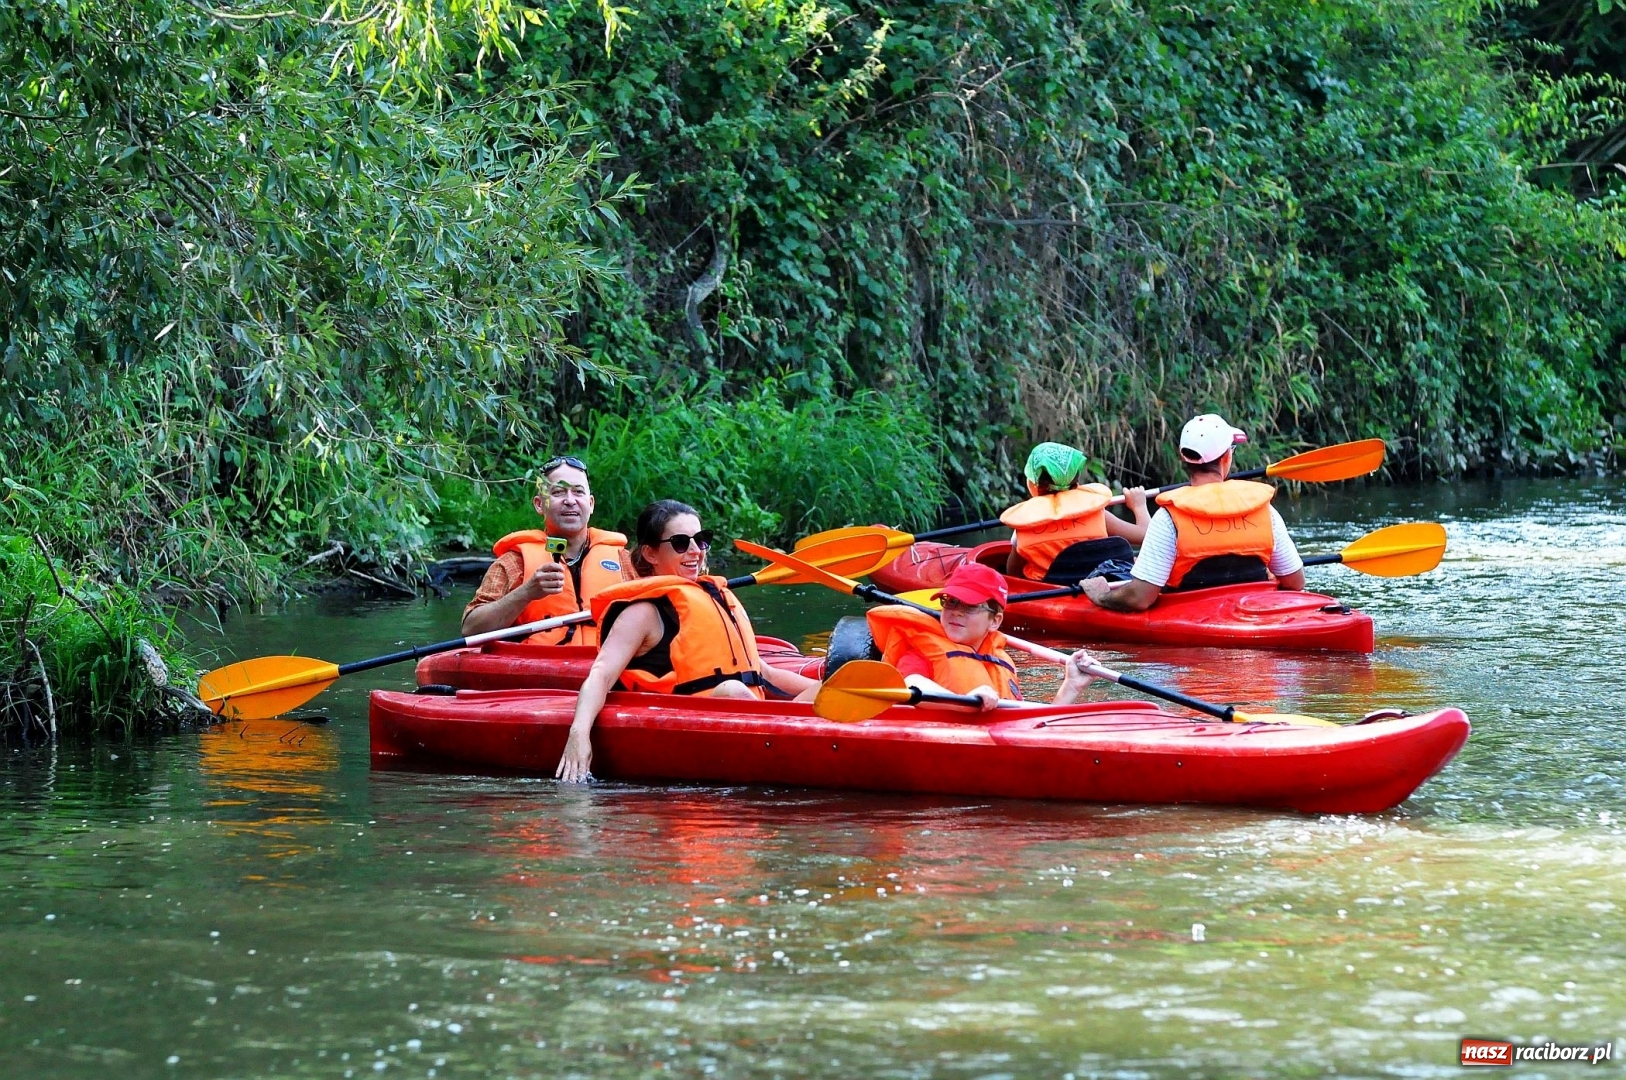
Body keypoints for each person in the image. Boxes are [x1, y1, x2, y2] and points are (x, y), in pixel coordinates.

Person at [556, 500, 819, 782]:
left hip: (755, 720)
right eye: (681, 543)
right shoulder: (642, 612)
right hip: (694, 724)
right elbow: (601, 675)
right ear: (650, 554)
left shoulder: (716, 598)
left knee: (836, 687)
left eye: (701, 540)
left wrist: (830, 688)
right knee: (731, 689)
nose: (695, 551)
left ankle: (805, 740)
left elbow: (762, 672)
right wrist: (579, 733)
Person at [1080, 414, 1305, 612]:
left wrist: (1101, 595)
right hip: (1254, 610)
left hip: (1191, 612)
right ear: (1227, 457)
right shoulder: (1263, 508)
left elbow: (1139, 598)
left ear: (1184, 458)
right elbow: (1295, 582)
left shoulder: (1168, 516)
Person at [866, 562, 1103, 710]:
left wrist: (1070, 687)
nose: (956, 612)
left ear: (995, 621)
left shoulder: (1003, 663)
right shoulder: (919, 651)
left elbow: (1027, 728)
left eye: (970, 606)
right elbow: (910, 684)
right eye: (951, 602)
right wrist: (966, 701)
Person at [461, 455, 633, 646]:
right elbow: (471, 628)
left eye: (578, 492)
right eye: (558, 492)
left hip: (607, 663)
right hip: (540, 665)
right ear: (539, 504)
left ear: (590, 504)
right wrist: (526, 593)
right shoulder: (515, 562)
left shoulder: (623, 561)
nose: (570, 500)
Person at [1003, 442, 1150, 583]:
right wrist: (1139, 506)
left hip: (1049, 594)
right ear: (1076, 481)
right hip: (1101, 586)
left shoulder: (1024, 523)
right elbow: (1146, 536)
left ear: (1032, 484)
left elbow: (1013, 573)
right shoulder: (1096, 514)